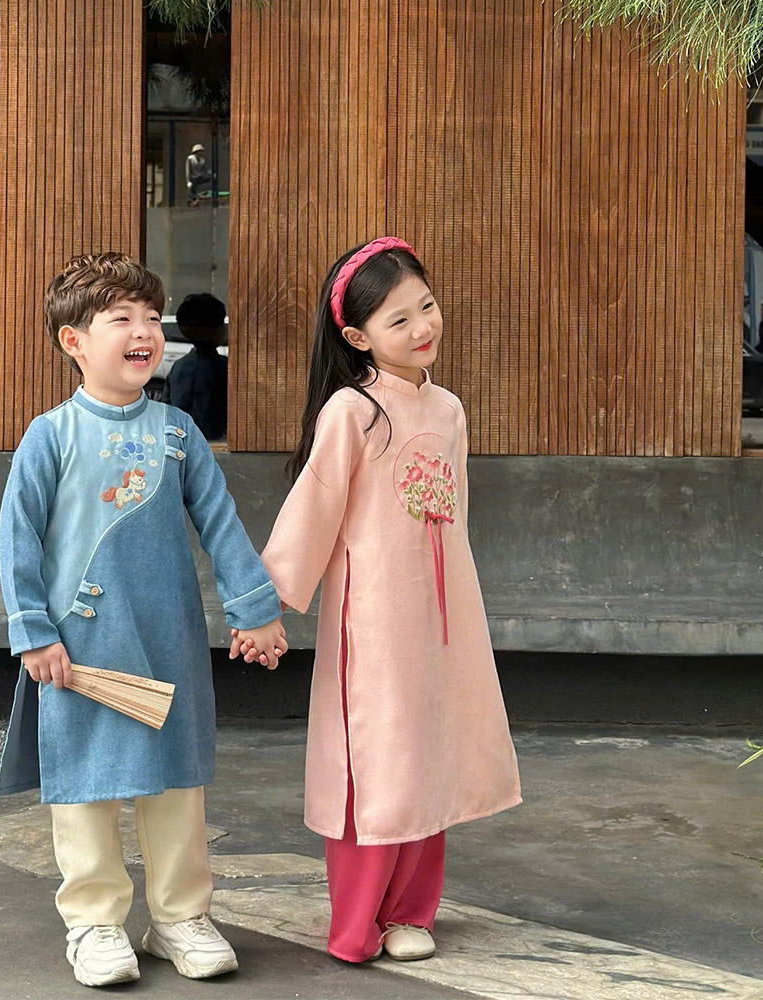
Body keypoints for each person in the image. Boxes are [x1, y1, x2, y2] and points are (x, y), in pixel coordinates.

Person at [0, 252, 287, 987]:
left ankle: (180, 917)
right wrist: (33, 632)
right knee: (86, 786)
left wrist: (254, 611)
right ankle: (94, 924)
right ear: (73, 342)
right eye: (120, 318)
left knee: (177, 784)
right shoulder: (50, 435)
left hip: (169, 639)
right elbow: (16, 538)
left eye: (151, 318)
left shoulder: (179, 432)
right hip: (80, 647)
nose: (143, 331)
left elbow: (221, 526)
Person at [233, 238, 521, 964]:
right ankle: (358, 924)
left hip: (445, 616)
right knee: (380, 755)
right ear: (357, 337)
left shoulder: (448, 410)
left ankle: (412, 913)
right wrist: (264, 608)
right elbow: (314, 507)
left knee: (434, 750)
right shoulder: (353, 412)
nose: (423, 327)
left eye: (427, 306)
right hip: (376, 621)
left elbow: (454, 517)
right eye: (399, 320)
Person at [160, 293, 229, 439]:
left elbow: (167, 409)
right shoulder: (225, 368)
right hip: (215, 442)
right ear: (217, 329)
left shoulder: (179, 367)